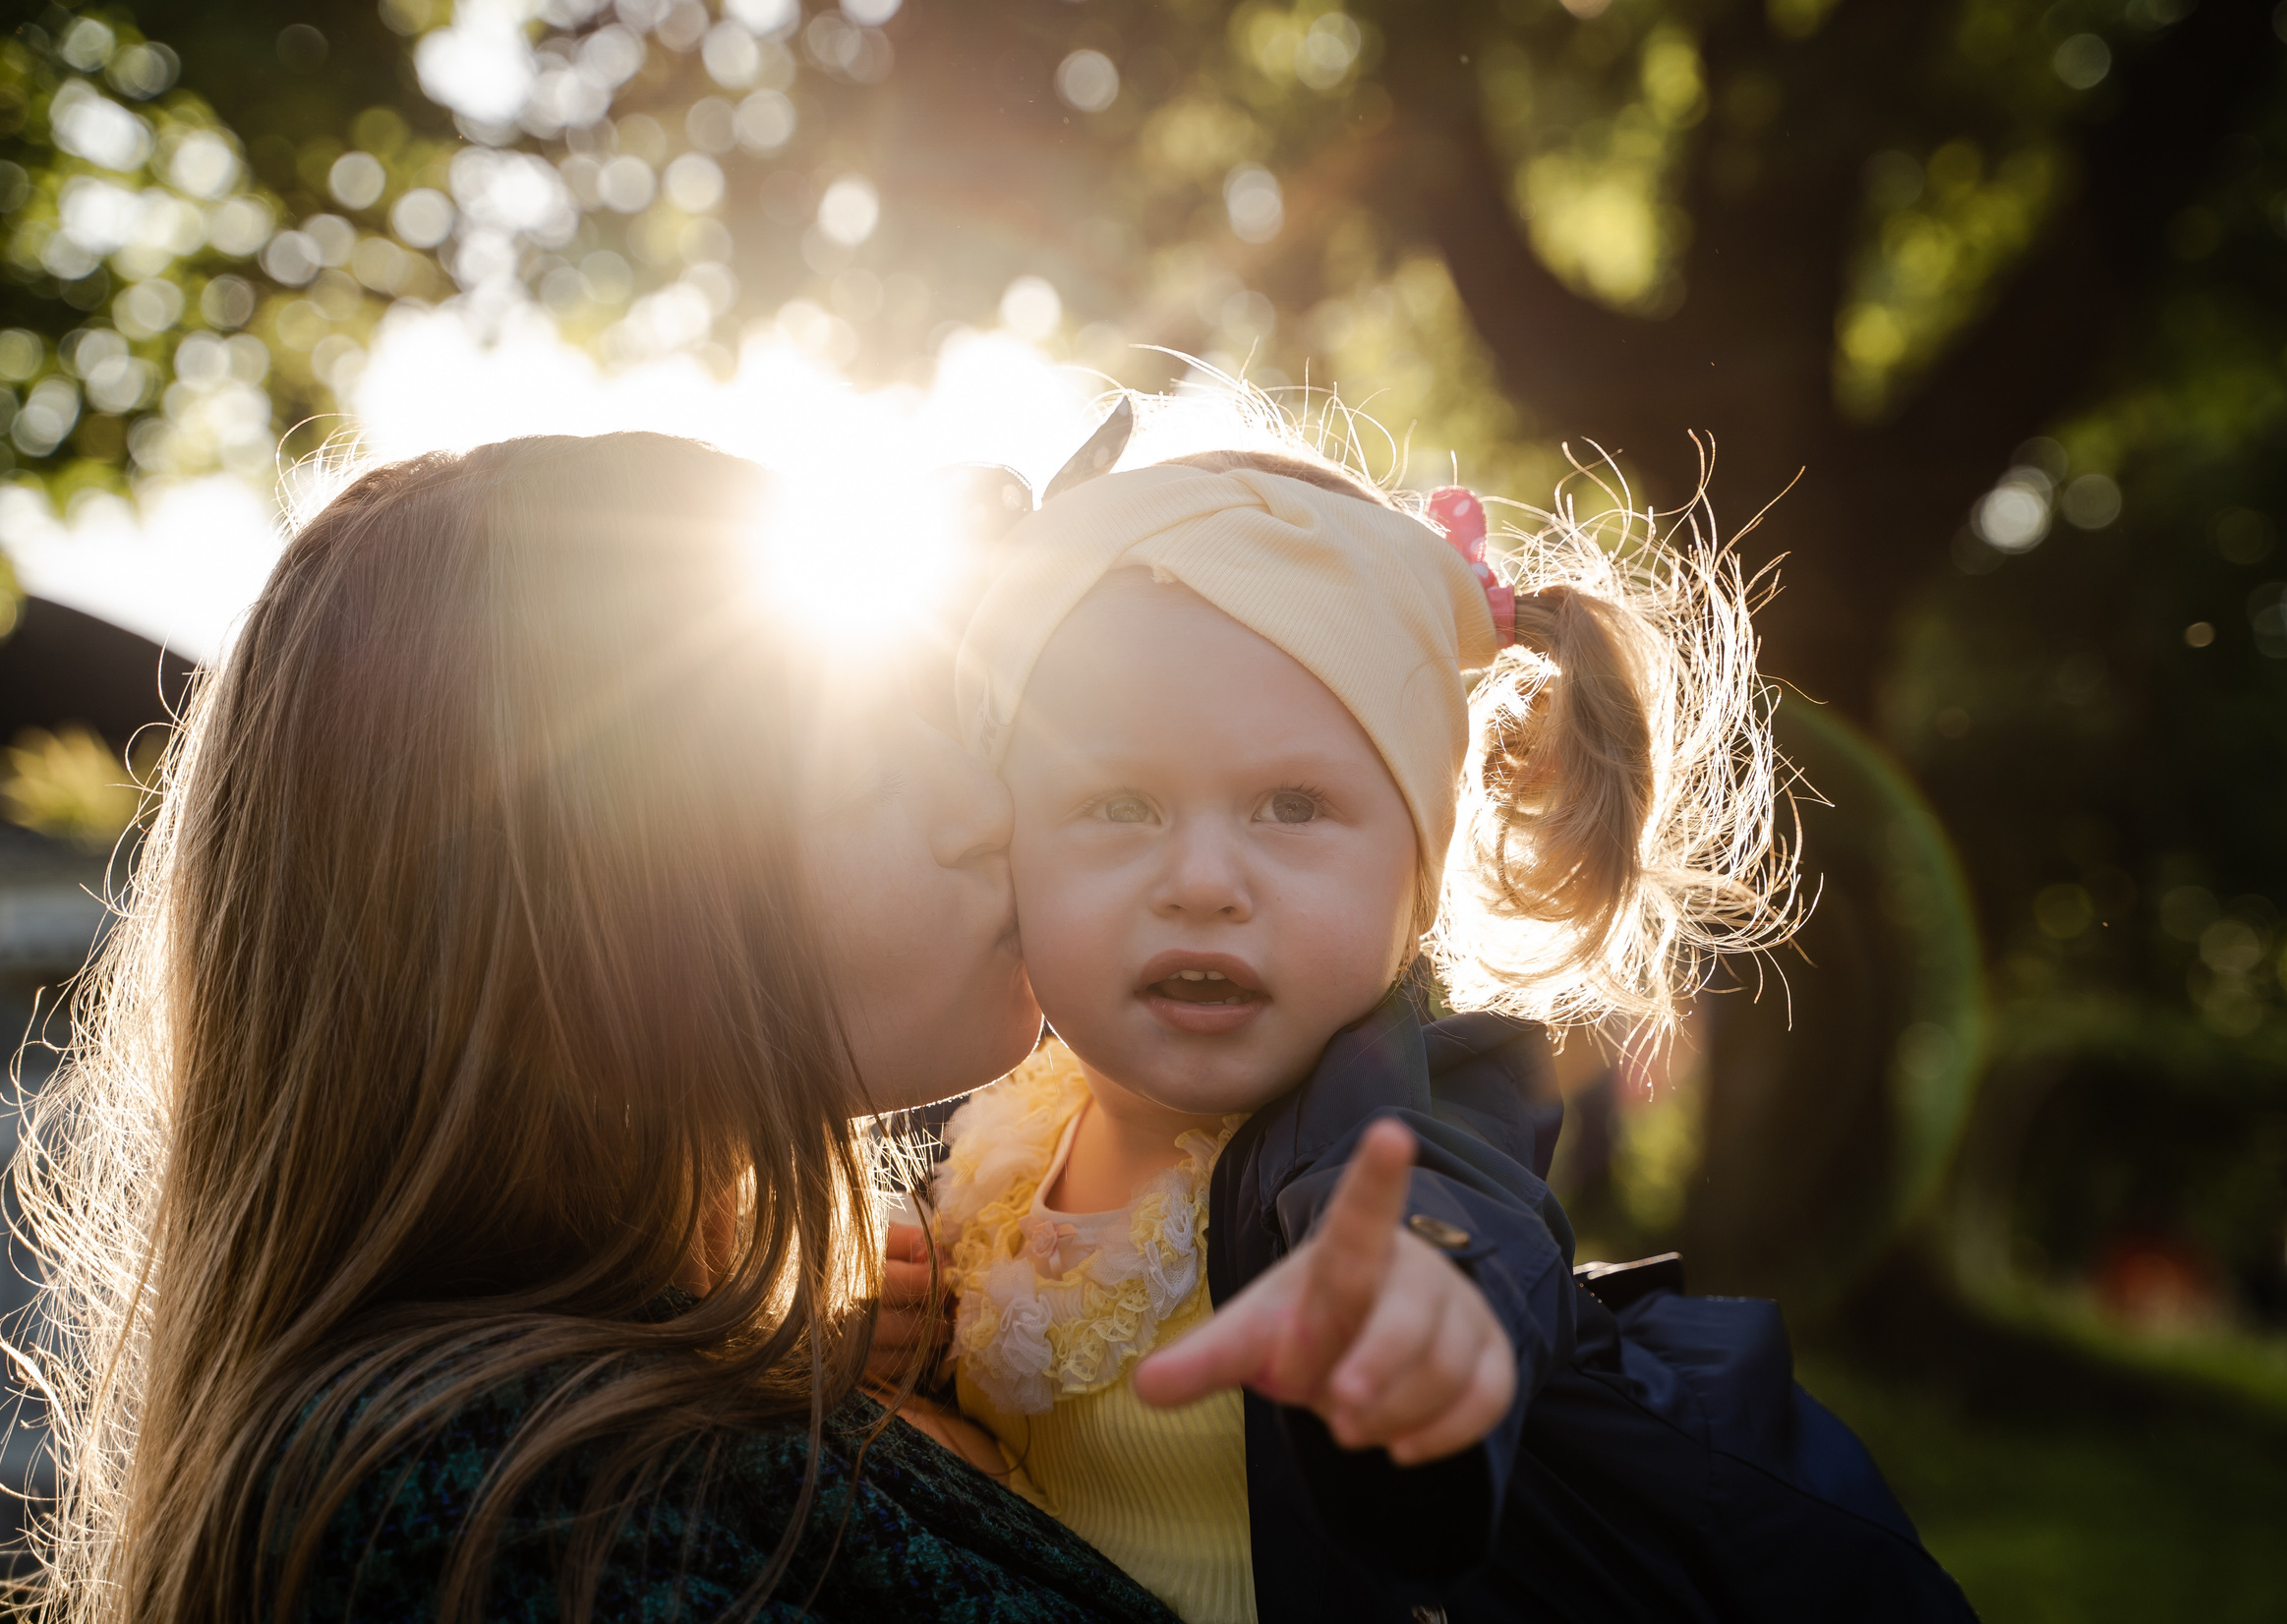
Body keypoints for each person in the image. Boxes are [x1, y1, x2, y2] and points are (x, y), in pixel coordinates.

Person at [11, 432, 1514, 1624]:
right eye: (880, 739)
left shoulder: (767, 1367)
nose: (992, 801)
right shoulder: (488, 1514)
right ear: (611, 891)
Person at [913, 415, 1979, 1622]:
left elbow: (1451, 1226)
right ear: (1009, 844)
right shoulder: (1006, 1127)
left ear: (1416, 882)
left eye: (1293, 804)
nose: (1202, 877)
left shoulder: (1400, 1120)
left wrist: (1418, 1348)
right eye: (1117, 803)